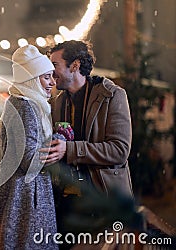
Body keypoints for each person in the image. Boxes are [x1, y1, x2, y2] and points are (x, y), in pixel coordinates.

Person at [40, 40, 133, 244]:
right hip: (67, 205)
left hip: (103, 203)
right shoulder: (58, 103)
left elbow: (119, 151)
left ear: (75, 65)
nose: (51, 71)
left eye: (55, 65)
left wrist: (70, 149)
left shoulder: (112, 96)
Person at [0, 45, 58, 250]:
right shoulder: (26, 106)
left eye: (52, 76)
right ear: (32, 79)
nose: (52, 83)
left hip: (19, 199)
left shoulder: (18, 102)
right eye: (46, 77)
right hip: (25, 203)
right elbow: (30, 161)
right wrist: (59, 140)